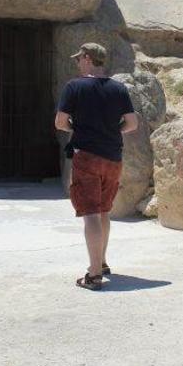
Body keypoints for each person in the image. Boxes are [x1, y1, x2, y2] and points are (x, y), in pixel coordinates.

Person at [55, 43, 138, 290]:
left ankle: (93, 275)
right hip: (113, 157)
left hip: (87, 157)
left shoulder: (74, 87)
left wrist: (77, 128)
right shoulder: (119, 88)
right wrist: (112, 131)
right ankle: (101, 262)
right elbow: (132, 124)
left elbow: (60, 122)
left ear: (88, 58)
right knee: (103, 211)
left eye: (79, 58)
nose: (77, 63)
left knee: (90, 212)